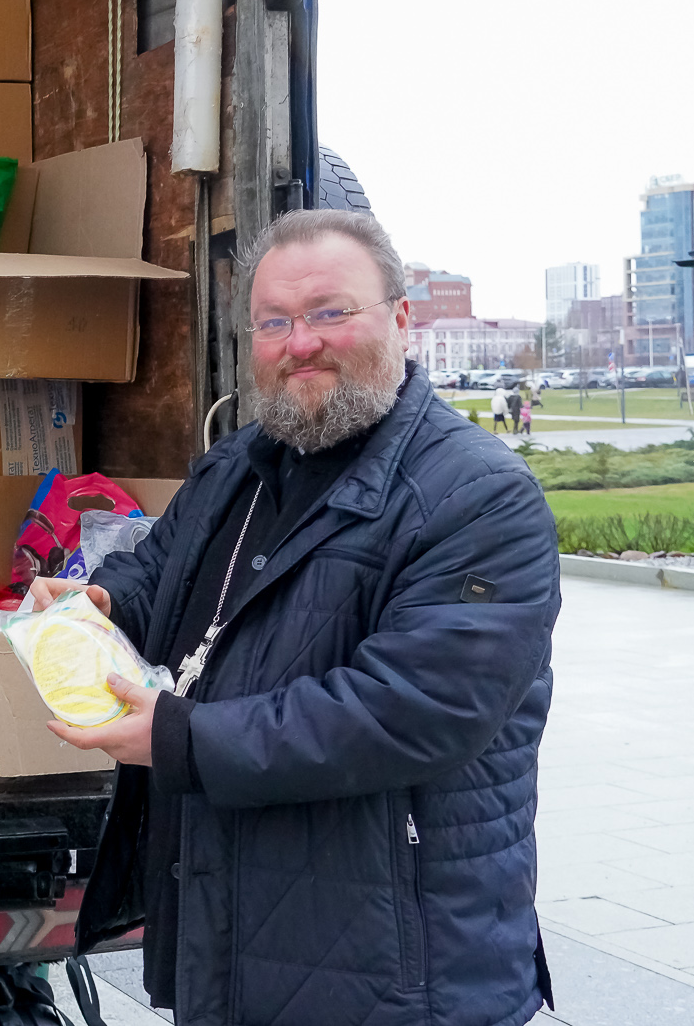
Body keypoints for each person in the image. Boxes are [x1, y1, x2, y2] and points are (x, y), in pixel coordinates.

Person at [35, 209, 560, 1026]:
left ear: (401, 318)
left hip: (396, 969)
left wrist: (182, 740)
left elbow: (411, 711)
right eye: (274, 322)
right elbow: (158, 571)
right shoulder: (237, 468)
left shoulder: (478, 496)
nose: (300, 343)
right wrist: (100, 605)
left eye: (328, 312)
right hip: (234, 935)